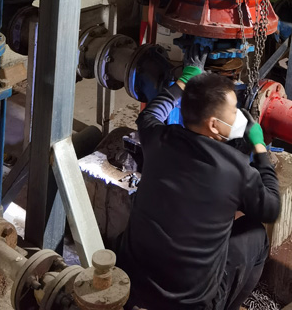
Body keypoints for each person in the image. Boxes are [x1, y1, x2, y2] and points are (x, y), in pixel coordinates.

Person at [117, 52, 281, 310]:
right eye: (233, 111)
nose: (238, 116)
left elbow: (149, 115)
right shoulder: (236, 169)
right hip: (191, 304)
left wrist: (182, 83)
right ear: (214, 125)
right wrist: (259, 147)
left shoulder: (159, 139)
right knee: (257, 235)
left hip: (132, 285)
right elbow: (271, 208)